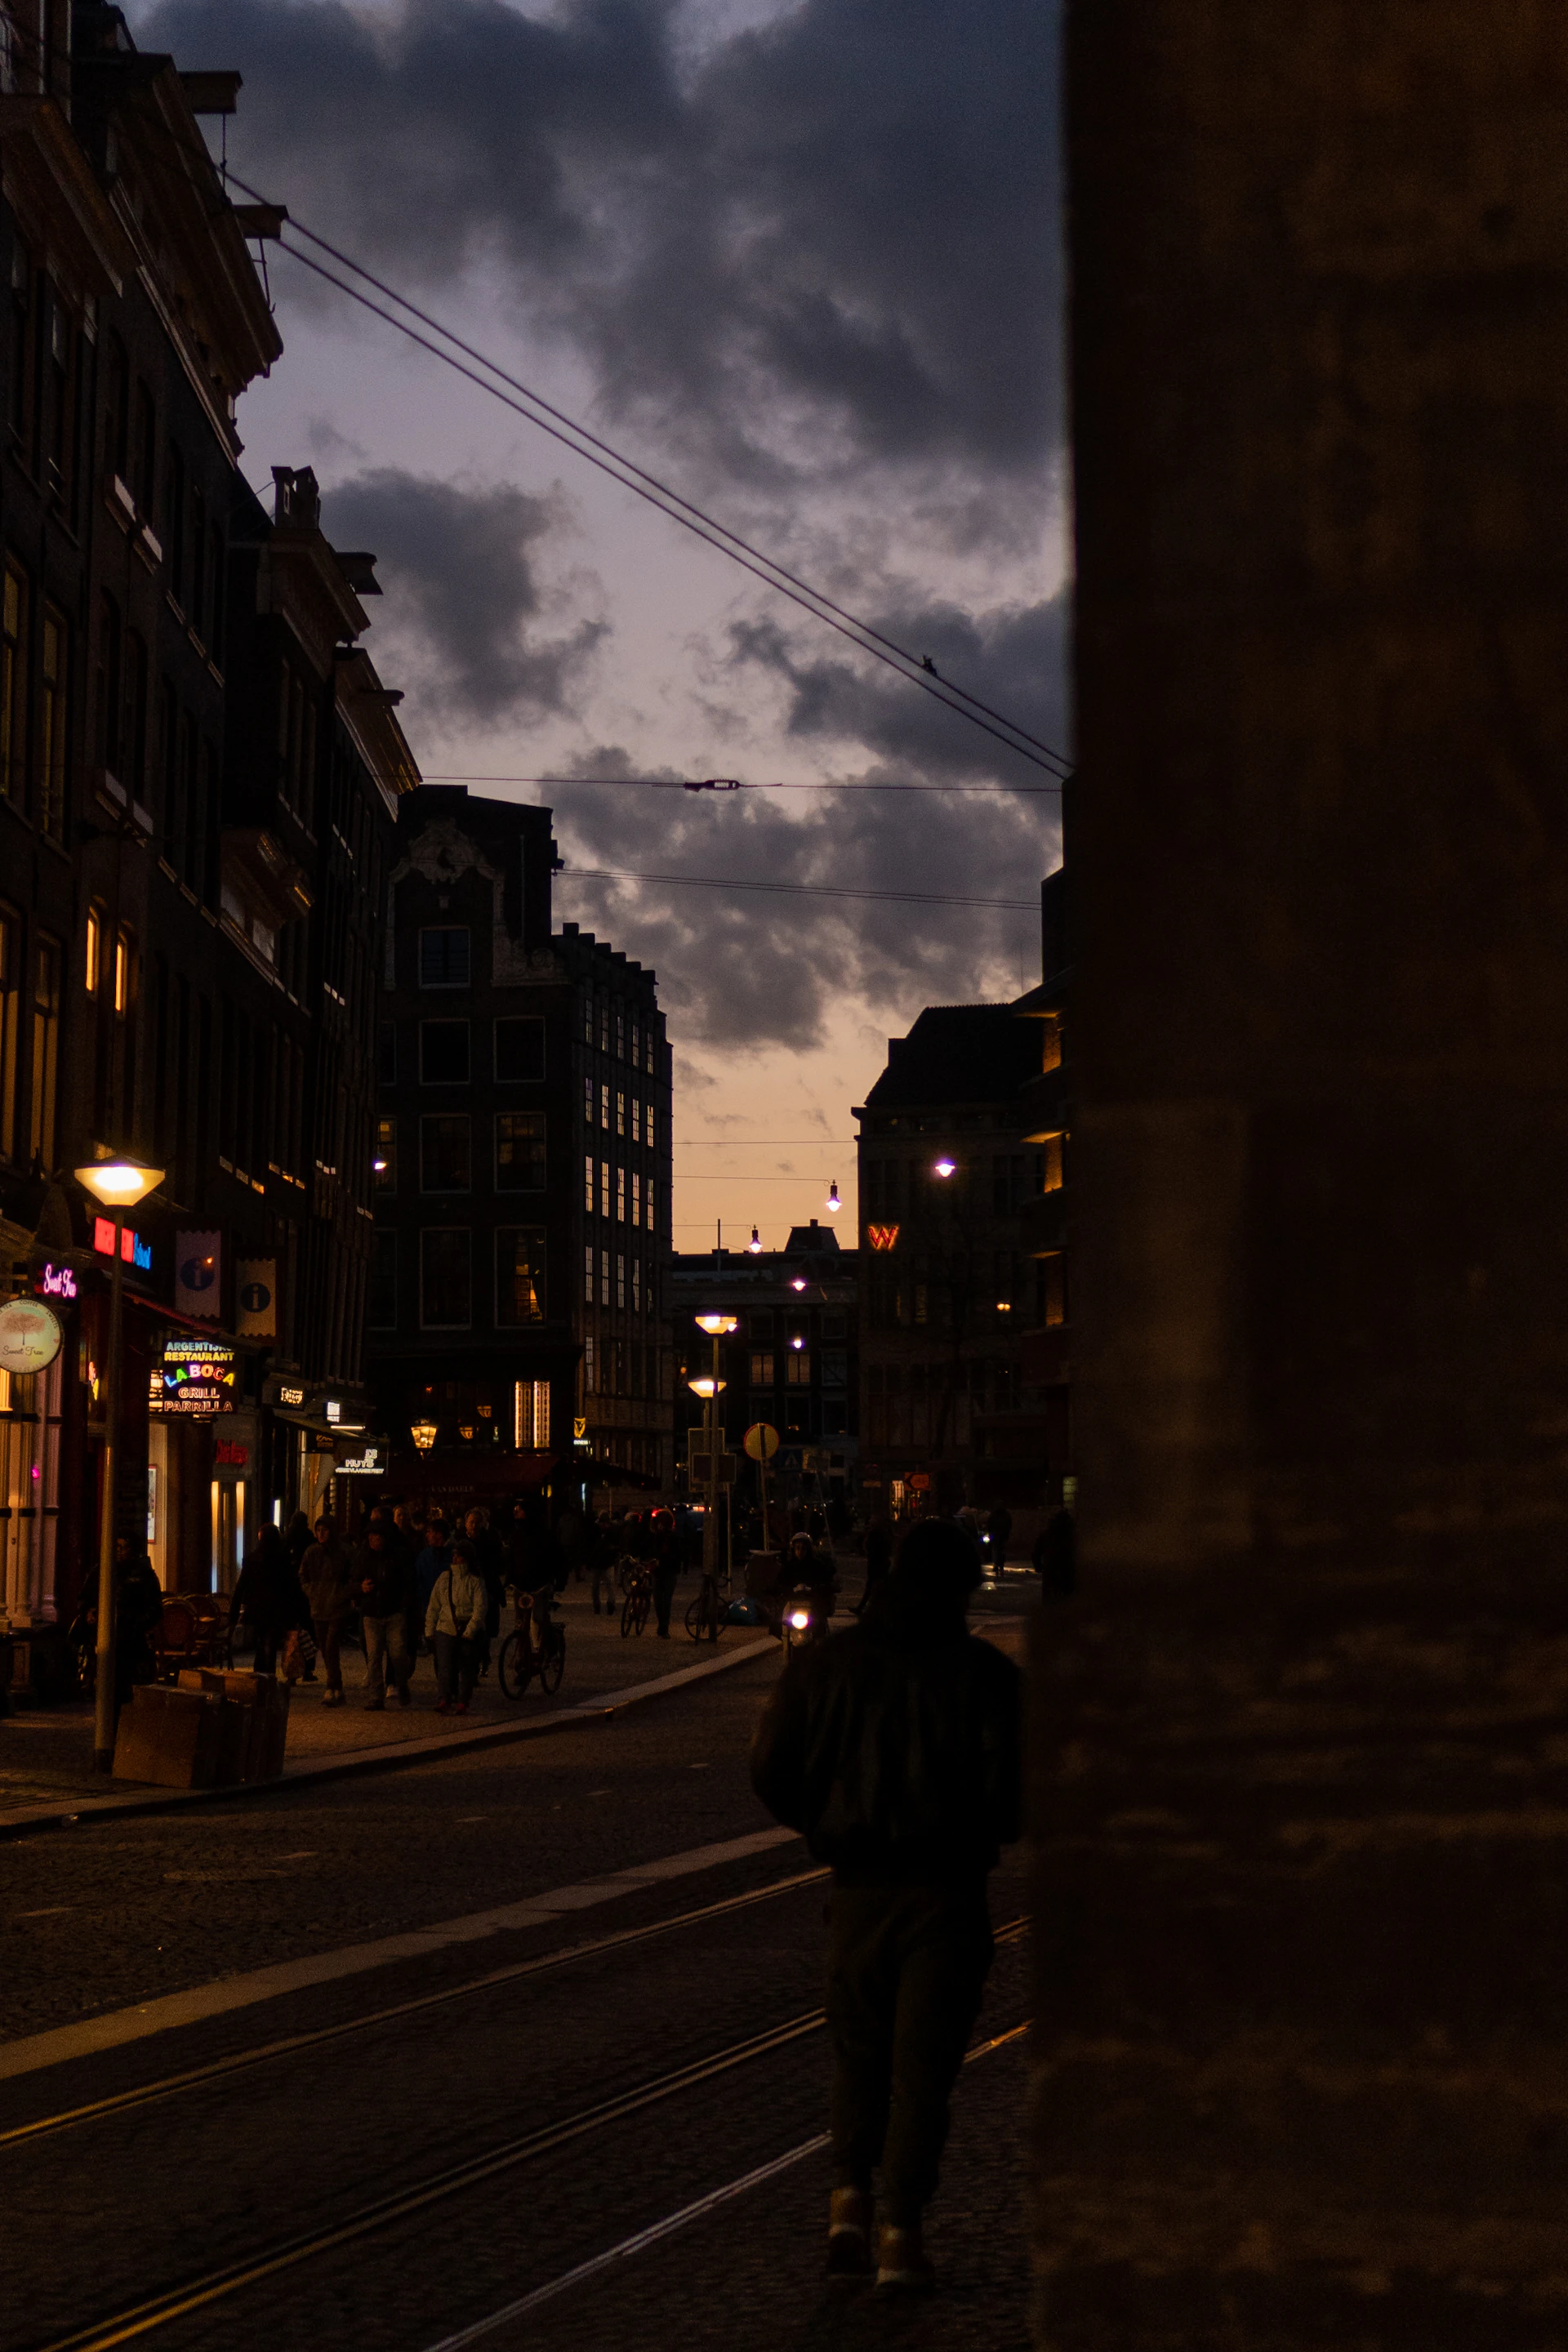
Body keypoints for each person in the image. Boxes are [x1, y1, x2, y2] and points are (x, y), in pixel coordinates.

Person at [751, 1519, 1021, 2291]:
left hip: (858, 1889)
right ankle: (901, 2233)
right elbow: (1020, 1784)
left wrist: (828, 1820)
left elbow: (771, 1765)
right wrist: (985, 1827)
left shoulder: (828, 1665)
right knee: (924, 2071)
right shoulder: (985, 1675)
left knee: (859, 2054)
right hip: (947, 1892)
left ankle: (848, 2203)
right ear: (962, 1588)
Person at [228, 1523, 307, 1677]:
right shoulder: (282, 1560)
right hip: (276, 1609)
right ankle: (267, 1675)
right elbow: (292, 1588)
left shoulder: (253, 1559)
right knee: (269, 1643)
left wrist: (234, 1612)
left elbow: (241, 1586)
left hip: (258, 1609)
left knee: (261, 1642)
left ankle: (260, 1675)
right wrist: (295, 1615)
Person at [425, 1538, 489, 1714]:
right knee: (444, 1666)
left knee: (466, 1667)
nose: (455, 1559)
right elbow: (434, 1605)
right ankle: (444, 1699)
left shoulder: (475, 1581)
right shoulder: (444, 1578)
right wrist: (429, 1629)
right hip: (445, 1628)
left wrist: (470, 1630)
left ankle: (463, 1701)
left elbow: (480, 1608)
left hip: (467, 1629)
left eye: (459, 1556)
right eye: (454, 1555)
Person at [353, 1521, 413, 1708]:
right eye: (370, 1537)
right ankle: (376, 1696)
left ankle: (401, 1683)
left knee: (397, 1653)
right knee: (374, 1656)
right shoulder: (364, 1556)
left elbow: (407, 1582)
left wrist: (403, 1605)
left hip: (393, 1612)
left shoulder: (397, 1556)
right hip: (371, 1613)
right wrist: (360, 1588)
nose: (373, 1540)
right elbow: (353, 1579)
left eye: (376, 1537)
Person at [298, 1514, 353, 1706]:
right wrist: (311, 1592)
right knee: (325, 1647)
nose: (321, 1534)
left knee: (330, 1646)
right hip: (319, 1605)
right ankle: (337, 1686)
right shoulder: (312, 1552)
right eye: (318, 1530)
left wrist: (342, 1593)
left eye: (325, 1530)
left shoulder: (343, 1552)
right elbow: (303, 1575)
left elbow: (352, 1576)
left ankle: (332, 1686)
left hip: (337, 1606)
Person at [112, 1535, 163, 1722]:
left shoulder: (144, 1576)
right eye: (116, 1547)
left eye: (123, 1547)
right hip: (112, 1639)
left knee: (129, 1687)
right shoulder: (107, 1571)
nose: (119, 1551)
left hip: (132, 1640)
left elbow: (155, 1608)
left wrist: (137, 1624)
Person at [651, 1508, 681, 1638]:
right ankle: (662, 1625)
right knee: (660, 1600)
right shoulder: (658, 1536)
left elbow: (678, 1553)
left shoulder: (672, 1536)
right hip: (661, 1571)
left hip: (668, 1571)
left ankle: (664, 1626)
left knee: (664, 1600)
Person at [856, 1515, 893, 1616]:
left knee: (875, 1585)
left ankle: (865, 1607)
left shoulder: (877, 1534)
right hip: (878, 1562)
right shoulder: (879, 1534)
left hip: (877, 1562)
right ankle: (863, 1607)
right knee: (875, 1585)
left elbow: (874, 1548)